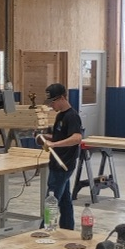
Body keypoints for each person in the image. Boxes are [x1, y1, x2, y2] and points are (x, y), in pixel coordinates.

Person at [41, 83, 82, 230]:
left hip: (63, 164)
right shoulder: (60, 116)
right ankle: (68, 229)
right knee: (65, 200)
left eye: (53, 101)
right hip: (56, 163)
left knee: (51, 199)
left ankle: (45, 230)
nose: (51, 105)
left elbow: (76, 138)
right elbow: (59, 137)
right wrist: (46, 137)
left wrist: (54, 145)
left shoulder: (72, 116)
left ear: (63, 98)